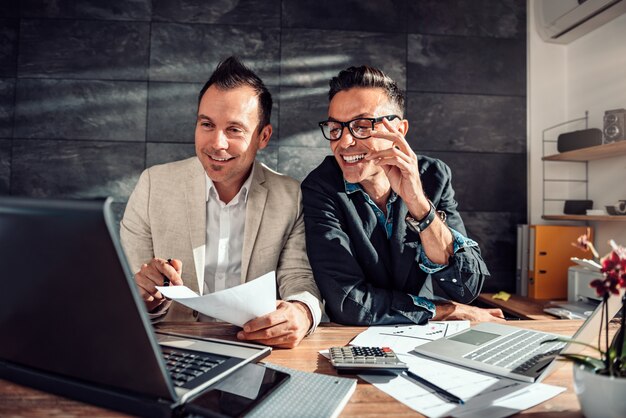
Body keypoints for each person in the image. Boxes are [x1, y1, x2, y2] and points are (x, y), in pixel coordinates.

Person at [121, 57, 322, 348]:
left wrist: (302, 313)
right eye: (207, 124)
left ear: (263, 136)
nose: (217, 143)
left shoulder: (290, 196)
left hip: (256, 349)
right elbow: (127, 288)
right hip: (170, 349)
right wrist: (145, 294)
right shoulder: (154, 185)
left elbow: (299, 279)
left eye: (234, 130)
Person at [301, 65, 504, 326]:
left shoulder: (433, 176)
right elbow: (348, 302)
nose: (344, 142)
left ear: (400, 130)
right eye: (335, 127)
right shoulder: (321, 188)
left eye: (362, 126)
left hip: (425, 338)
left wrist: (419, 204)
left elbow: (466, 286)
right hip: (356, 340)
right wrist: (442, 310)